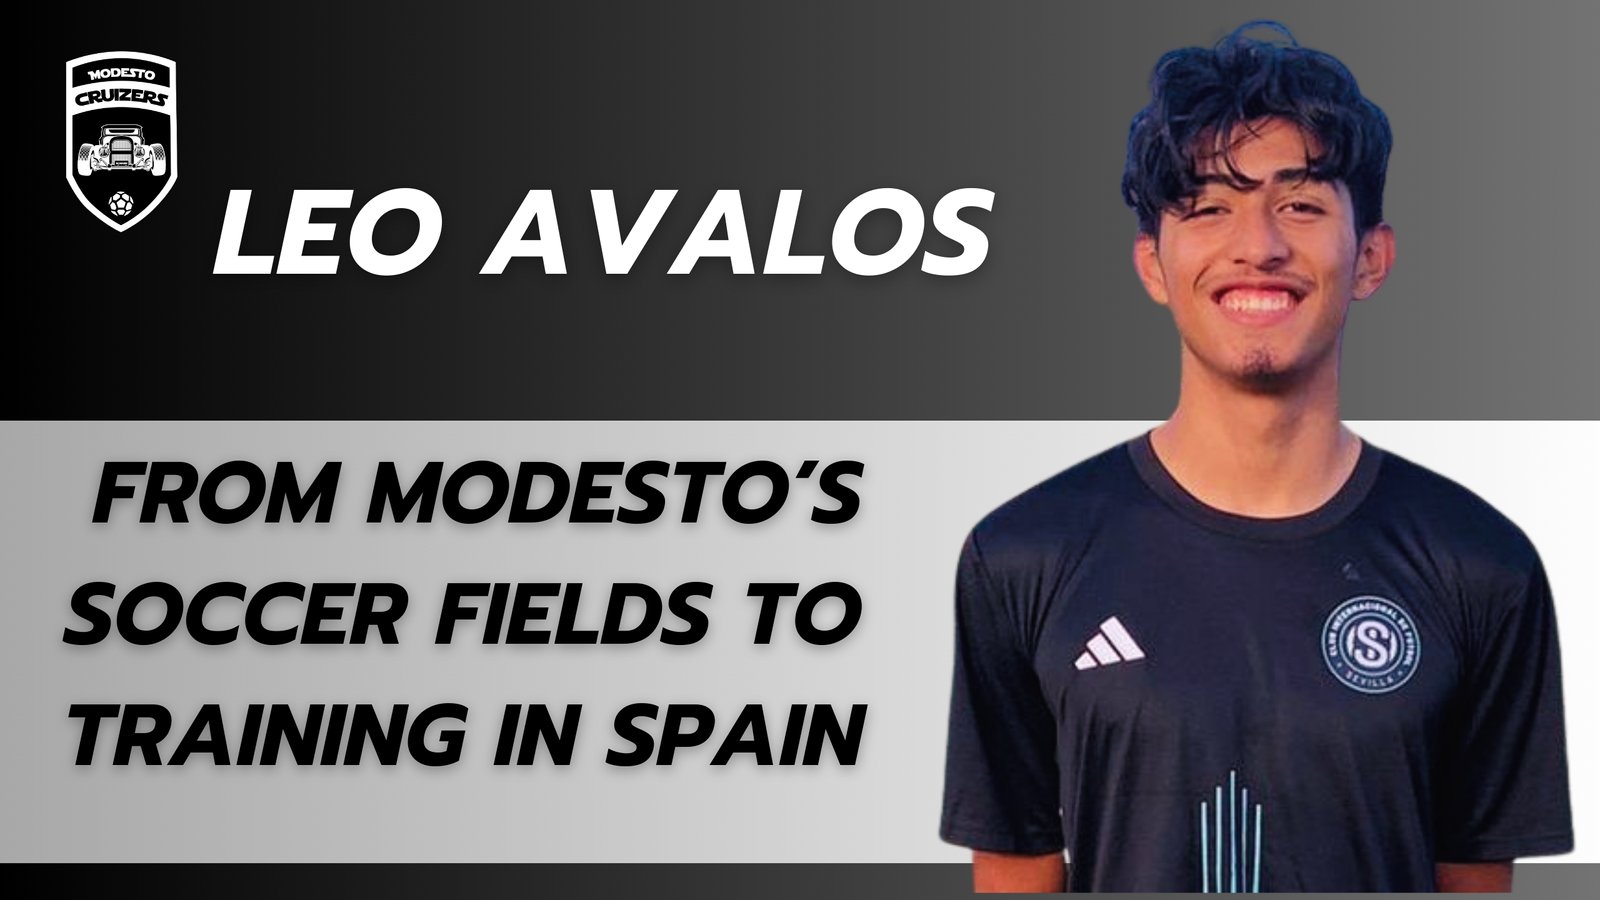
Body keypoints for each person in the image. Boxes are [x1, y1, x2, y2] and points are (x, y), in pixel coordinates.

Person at [939, 22, 1572, 892]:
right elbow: (1015, 871)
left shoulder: (1480, 565)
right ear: (1153, 266)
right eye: (1206, 207)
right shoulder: (1022, 556)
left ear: (1371, 258)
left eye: (1301, 203)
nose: (1258, 244)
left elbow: (1473, 881)